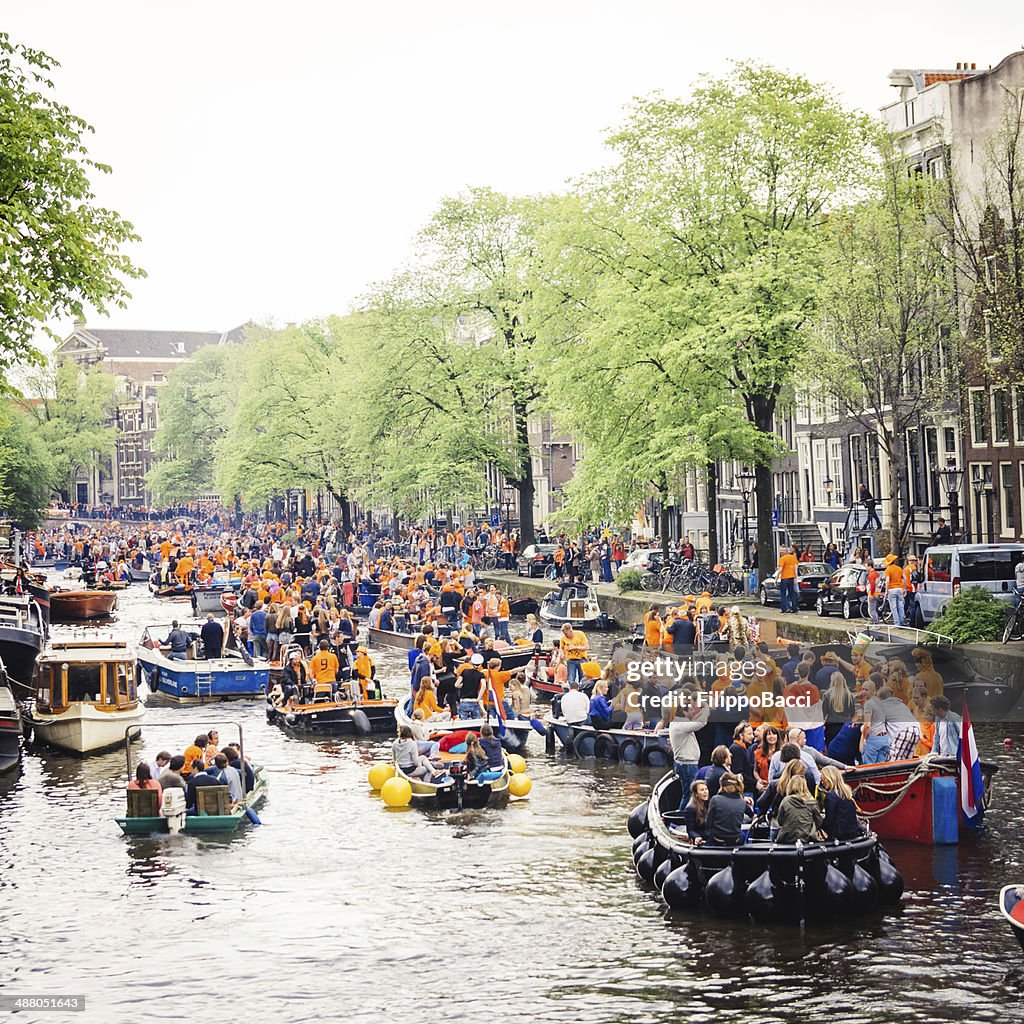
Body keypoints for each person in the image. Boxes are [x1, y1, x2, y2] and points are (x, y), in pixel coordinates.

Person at [775, 775, 824, 843]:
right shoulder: (811, 802)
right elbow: (819, 821)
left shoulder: (786, 801)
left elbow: (780, 822)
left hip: (787, 839)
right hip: (807, 839)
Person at [703, 772, 747, 846]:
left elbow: (708, 823)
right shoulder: (742, 801)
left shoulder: (715, 799)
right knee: (742, 834)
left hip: (718, 839)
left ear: (721, 786)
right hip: (735, 840)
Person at [818, 766, 861, 840]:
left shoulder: (831, 797)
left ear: (830, 779)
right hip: (852, 831)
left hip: (838, 835)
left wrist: (819, 826)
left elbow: (829, 820)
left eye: (824, 779)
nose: (822, 782)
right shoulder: (847, 792)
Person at [860, 682, 891, 764]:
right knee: (880, 768)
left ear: (873, 691)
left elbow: (867, 725)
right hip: (884, 739)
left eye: (866, 690)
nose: (864, 692)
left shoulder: (868, 704)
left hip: (873, 739)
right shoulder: (879, 702)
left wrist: (863, 739)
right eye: (862, 689)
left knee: (868, 769)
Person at [883, 554, 905, 627]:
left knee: (894, 607)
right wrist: (904, 588)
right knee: (901, 606)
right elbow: (904, 578)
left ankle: (897, 624)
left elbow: (887, 581)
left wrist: (886, 591)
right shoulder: (899, 568)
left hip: (892, 589)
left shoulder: (888, 570)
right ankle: (902, 622)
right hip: (899, 589)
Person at [777, 545, 799, 614]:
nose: (781, 552)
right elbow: (795, 568)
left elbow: (780, 569)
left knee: (783, 594)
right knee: (792, 593)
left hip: (784, 578)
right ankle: (794, 608)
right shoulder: (794, 558)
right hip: (791, 578)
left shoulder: (782, 559)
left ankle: (784, 609)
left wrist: (776, 578)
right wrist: (796, 577)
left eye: (781, 551)